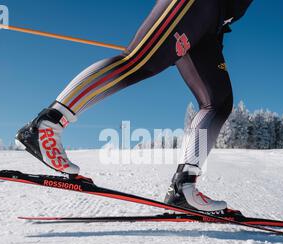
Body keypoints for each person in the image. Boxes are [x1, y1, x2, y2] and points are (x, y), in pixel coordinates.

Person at [16, 0, 253, 214]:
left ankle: (184, 188)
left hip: (214, 22)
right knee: (137, 62)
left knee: (218, 102)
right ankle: (46, 126)